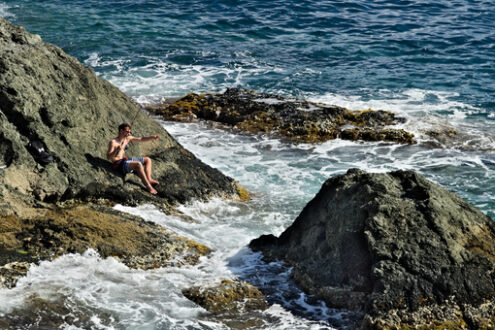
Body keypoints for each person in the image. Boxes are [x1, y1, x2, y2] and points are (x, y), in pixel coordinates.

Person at [107, 123, 160, 194]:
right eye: (127, 131)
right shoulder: (113, 142)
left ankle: (149, 179)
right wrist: (116, 150)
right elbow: (108, 157)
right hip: (118, 164)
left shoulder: (127, 138)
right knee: (138, 164)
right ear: (121, 131)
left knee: (147, 159)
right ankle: (148, 186)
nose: (129, 133)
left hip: (125, 160)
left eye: (129, 132)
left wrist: (152, 137)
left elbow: (141, 139)